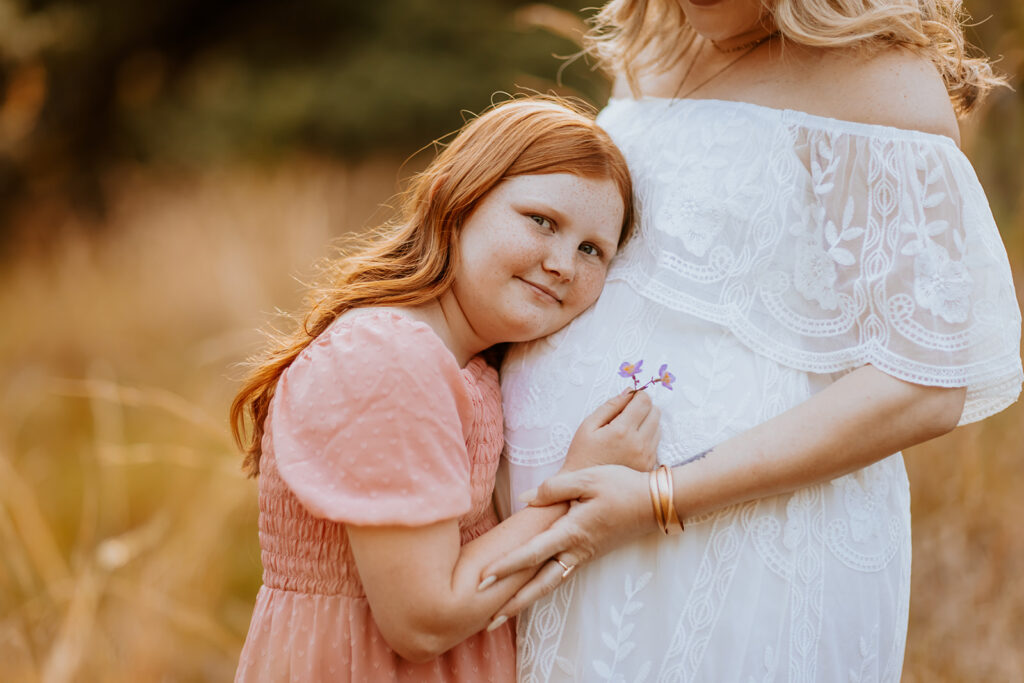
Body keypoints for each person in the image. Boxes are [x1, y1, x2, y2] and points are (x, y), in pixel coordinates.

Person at [481, 1, 1024, 681]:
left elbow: (923, 384)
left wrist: (662, 498)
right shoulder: (656, 51)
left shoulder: (879, 81)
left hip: (742, 552)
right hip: (576, 541)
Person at [228, 97, 663, 682]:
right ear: (460, 199)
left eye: (592, 250)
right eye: (542, 220)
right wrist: (580, 484)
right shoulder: (391, 359)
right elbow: (423, 620)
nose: (563, 262)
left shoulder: (471, 366)